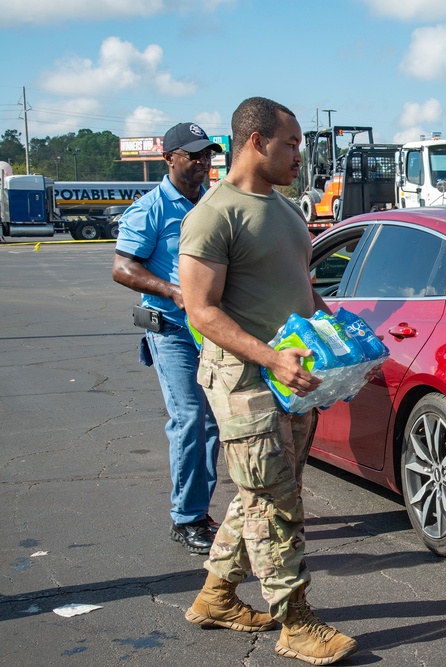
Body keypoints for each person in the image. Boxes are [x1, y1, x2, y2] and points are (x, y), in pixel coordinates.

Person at [178, 97, 357, 664]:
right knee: (275, 503)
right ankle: (296, 622)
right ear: (255, 141)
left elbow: (300, 291)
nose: (300, 155)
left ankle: (215, 597)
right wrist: (272, 359)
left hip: (294, 378)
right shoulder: (214, 214)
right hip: (245, 379)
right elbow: (202, 310)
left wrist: (336, 332)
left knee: (266, 493)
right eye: (291, 144)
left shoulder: (284, 210)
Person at [112, 122, 222, 555]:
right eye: (193, 155)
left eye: (207, 155)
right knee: (191, 418)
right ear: (169, 158)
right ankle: (187, 518)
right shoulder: (151, 209)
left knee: (213, 422)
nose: (202, 163)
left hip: (210, 327)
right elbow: (123, 269)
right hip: (173, 329)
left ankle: (199, 510)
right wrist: (176, 291)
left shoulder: (211, 204)